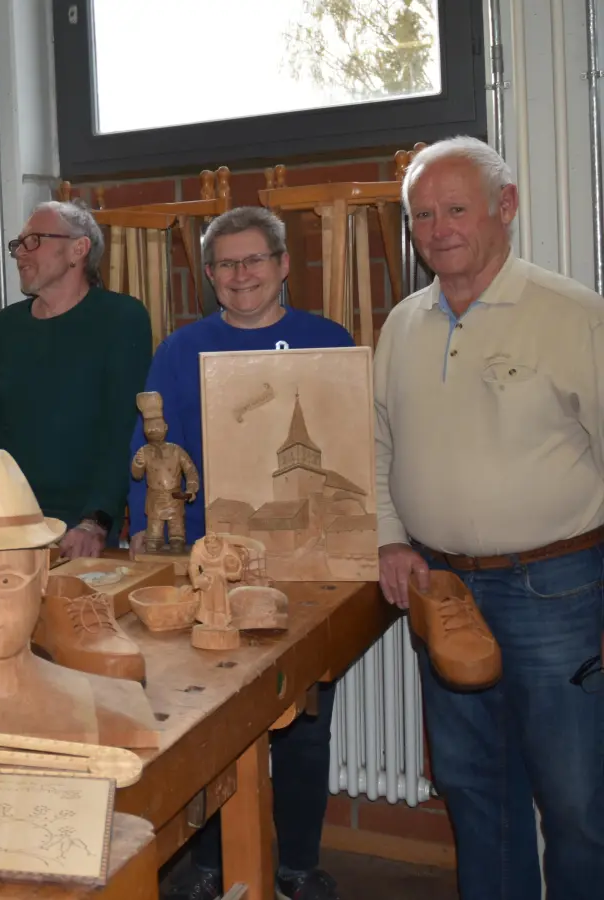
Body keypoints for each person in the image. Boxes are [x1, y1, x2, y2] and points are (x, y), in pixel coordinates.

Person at [375, 135, 604, 900]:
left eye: (455, 210)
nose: (437, 230)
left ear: (506, 207)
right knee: (477, 797)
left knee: (578, 805)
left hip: (560, 593)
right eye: (422, 217)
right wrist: (388, 541)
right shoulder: (401, 326)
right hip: (443, 594)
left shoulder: (573, 316)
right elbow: (375, 448)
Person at [133, 207, 351, 900]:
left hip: (306, 570)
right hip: (211, 570)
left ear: (284, 264)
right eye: (225, 264)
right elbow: (149, 459)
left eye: (254, 260)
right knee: (211, 724)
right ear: (210, 276)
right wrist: (148, 531)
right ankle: (211, 868)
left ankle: (297, 865)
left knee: (303, 726)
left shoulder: (327, 342)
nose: (240, 275)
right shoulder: (178, 349)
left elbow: (351, 448)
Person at [0, 200, 151, 558]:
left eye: (34, 240)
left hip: (83, 525)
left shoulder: (121, 319)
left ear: (78, 249)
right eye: (18, 244)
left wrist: (96, 520)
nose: (20, 253)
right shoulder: (1, 328)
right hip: (8, 521)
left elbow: (124, 428)